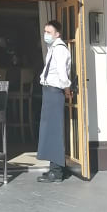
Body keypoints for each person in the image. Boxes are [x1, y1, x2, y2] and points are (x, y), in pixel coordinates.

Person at [36, 18, 71, 182]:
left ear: (57, 34)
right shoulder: (53, 48)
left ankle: (56, 172)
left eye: (49, 32)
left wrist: (66, 87)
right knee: (49, 129)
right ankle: (55, 168)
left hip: (55, 91)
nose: (46, 34)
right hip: (49, 90)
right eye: (45, 31)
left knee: (54, 130)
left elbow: (62, 73)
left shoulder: (60, 49)